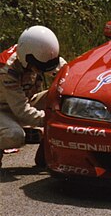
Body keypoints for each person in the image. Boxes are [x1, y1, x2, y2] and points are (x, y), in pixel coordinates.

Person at [0, 26, 66, 169]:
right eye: (39, 68)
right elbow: (22, 111)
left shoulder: (42, 53)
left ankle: (45, 145)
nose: (43, 72)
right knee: (14, 135)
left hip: (25, 100)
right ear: (26, 59)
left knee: (64, 96)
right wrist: (54, 120)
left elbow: (67, 73)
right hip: (3, 110)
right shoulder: (7, 70)